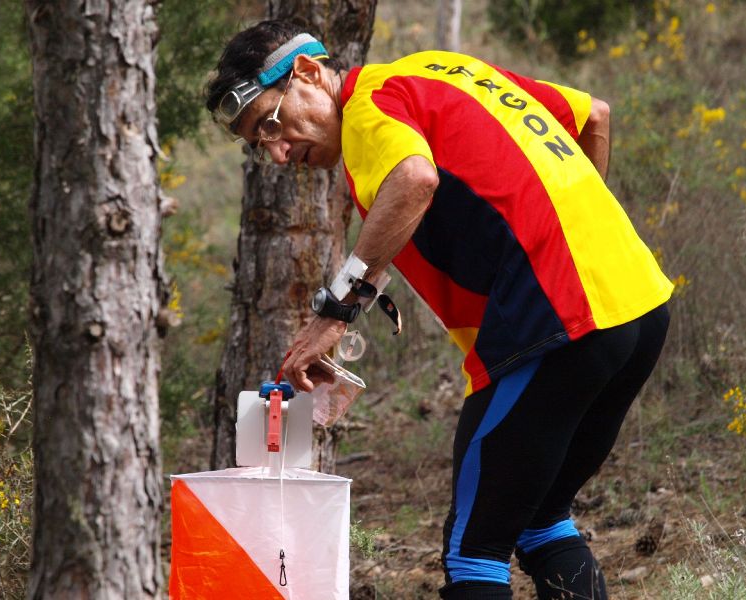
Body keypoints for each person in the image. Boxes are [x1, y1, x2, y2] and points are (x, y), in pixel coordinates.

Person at [205, 19, 673, 600]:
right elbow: (592, 115)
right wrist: (574, 237)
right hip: (640, 304)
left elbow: (413, 178)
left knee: (473, 554)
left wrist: (335, 311)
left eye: (270, 124)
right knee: (540, 519)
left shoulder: (367, 106)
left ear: (307, 72)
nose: (276, 153)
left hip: (556, 319)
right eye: (258, 145)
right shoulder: (441, 69)